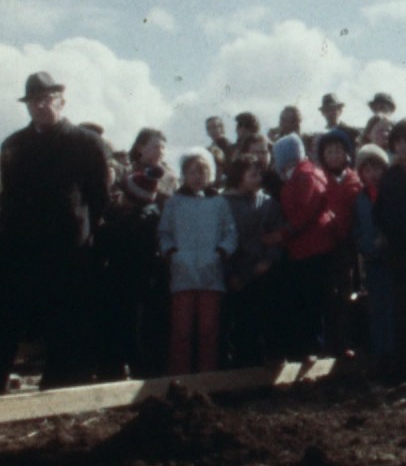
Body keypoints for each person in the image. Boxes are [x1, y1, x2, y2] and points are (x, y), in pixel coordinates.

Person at [0, 72, 110, 391]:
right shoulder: (14, 145)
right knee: (7, 320)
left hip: (68, 251)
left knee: (66, 323)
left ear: (61, 102)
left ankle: (63, 389)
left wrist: (88, 238)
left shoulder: (87, 143)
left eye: (47, 100)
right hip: (20, 249)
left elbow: (100, 200)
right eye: (34, 101)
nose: (40, 106)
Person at [158, 148, 238, 375]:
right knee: (182, 331)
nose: (197, 176)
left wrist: (220, 254)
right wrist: (172, 253)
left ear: (210, 173)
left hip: (210, 274)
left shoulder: (219, 203)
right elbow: (164, 232)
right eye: (192, 172)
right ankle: (180, 379)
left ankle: (206, 379)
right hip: (183, 273)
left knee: (208, 330)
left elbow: (230, 232)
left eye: (202, 171)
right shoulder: (174, 202)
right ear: (184, 174)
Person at [93, 165, 169, 380]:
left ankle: (120, 374)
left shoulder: (136, 222)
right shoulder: (151, 216)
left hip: (128, 284)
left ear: (132, 198)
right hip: (139, 285)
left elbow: (107, 241)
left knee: (126, 333)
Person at [265, 134, 336, 361]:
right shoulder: (303, 174)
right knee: (308, 302)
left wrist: (280, 235)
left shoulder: (305, 176)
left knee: (311, 302)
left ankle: (312, 350)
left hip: (310, 248)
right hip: (305, 247)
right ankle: (307, 349)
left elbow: (304, 212)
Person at [221, 155, 284, 368]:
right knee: (240, 327)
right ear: (239, 178)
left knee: (264, 321)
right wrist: (230, 274)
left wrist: (269, 260)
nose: (258, 178)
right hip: (237, 274)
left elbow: (278, 235)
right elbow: (220, 239)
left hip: (263, 271)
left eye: (259, 174)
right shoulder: (224, 203)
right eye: (252, 174)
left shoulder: (268, 203)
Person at [373, 120, 406, 382]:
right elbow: (379, 211)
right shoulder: (389, 175)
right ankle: (403, 367)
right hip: (397, 251)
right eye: (398, 142)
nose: (403, 146)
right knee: (400, 309)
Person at [317, 129, 362, 357]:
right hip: (325, 245)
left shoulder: (355, 179)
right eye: (329, 151)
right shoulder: (319, 179)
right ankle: (327, 345)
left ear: (347, 154)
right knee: (327, 294)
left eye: (338, 150)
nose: (334, 155)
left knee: (346, 293)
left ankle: (344, 342)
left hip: (349, 245)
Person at [352, 144, 394, 378]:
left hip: (391, 259)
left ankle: (395, 356)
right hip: (372, 261)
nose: (372, 173)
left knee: (393, 309)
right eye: (366, 169)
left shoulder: (392, 191)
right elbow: (357, 228)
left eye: (376, 167)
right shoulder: (360, 199)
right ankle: (381, 358)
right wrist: (364, 245)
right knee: (377, 309)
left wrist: (386, 240)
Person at [128, 128, 178, 206]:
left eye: (163, 148)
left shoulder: (170, 177)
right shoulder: (128, 172)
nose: (161, 152)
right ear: (140, 148)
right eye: (156, 147)